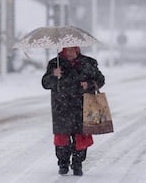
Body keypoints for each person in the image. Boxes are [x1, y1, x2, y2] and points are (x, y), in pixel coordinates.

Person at [42, 46, 105, 176]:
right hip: (61, 106)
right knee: (62, 137)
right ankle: (63, 163)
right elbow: (45, 83)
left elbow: (100, 80)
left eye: (73, 50)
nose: (70, 53)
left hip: (82, 106)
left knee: (81, 136)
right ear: (63, 51)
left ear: (77, 50)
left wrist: (89, 84)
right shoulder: (55, 63)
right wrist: (54, 75)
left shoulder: (89, 63)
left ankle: (77, 163)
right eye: (67, 50)